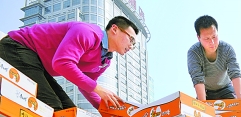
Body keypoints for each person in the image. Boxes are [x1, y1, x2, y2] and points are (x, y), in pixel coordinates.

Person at [0, 16, 138, 111]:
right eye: (131, 39)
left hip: (38, 63)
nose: (131, 46)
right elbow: (62, 63)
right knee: (52, 106)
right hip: (18, 46)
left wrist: (107, 111)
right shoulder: (87, 32)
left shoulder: (105, 60)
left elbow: (86, 86)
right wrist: (99, 89)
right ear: (114, 29)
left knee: (70, 112)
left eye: (134, 44)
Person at [187, 15, 241, 102]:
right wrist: (203, 106)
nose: (212, 42)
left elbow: (235, 73)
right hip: (206, 92)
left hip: (226, 89)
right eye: (207, 39)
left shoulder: (227, 49)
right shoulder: (194, 53)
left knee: (237, 110)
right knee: (201, 112)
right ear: (198, 38)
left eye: (214, 37)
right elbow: (197, 78)